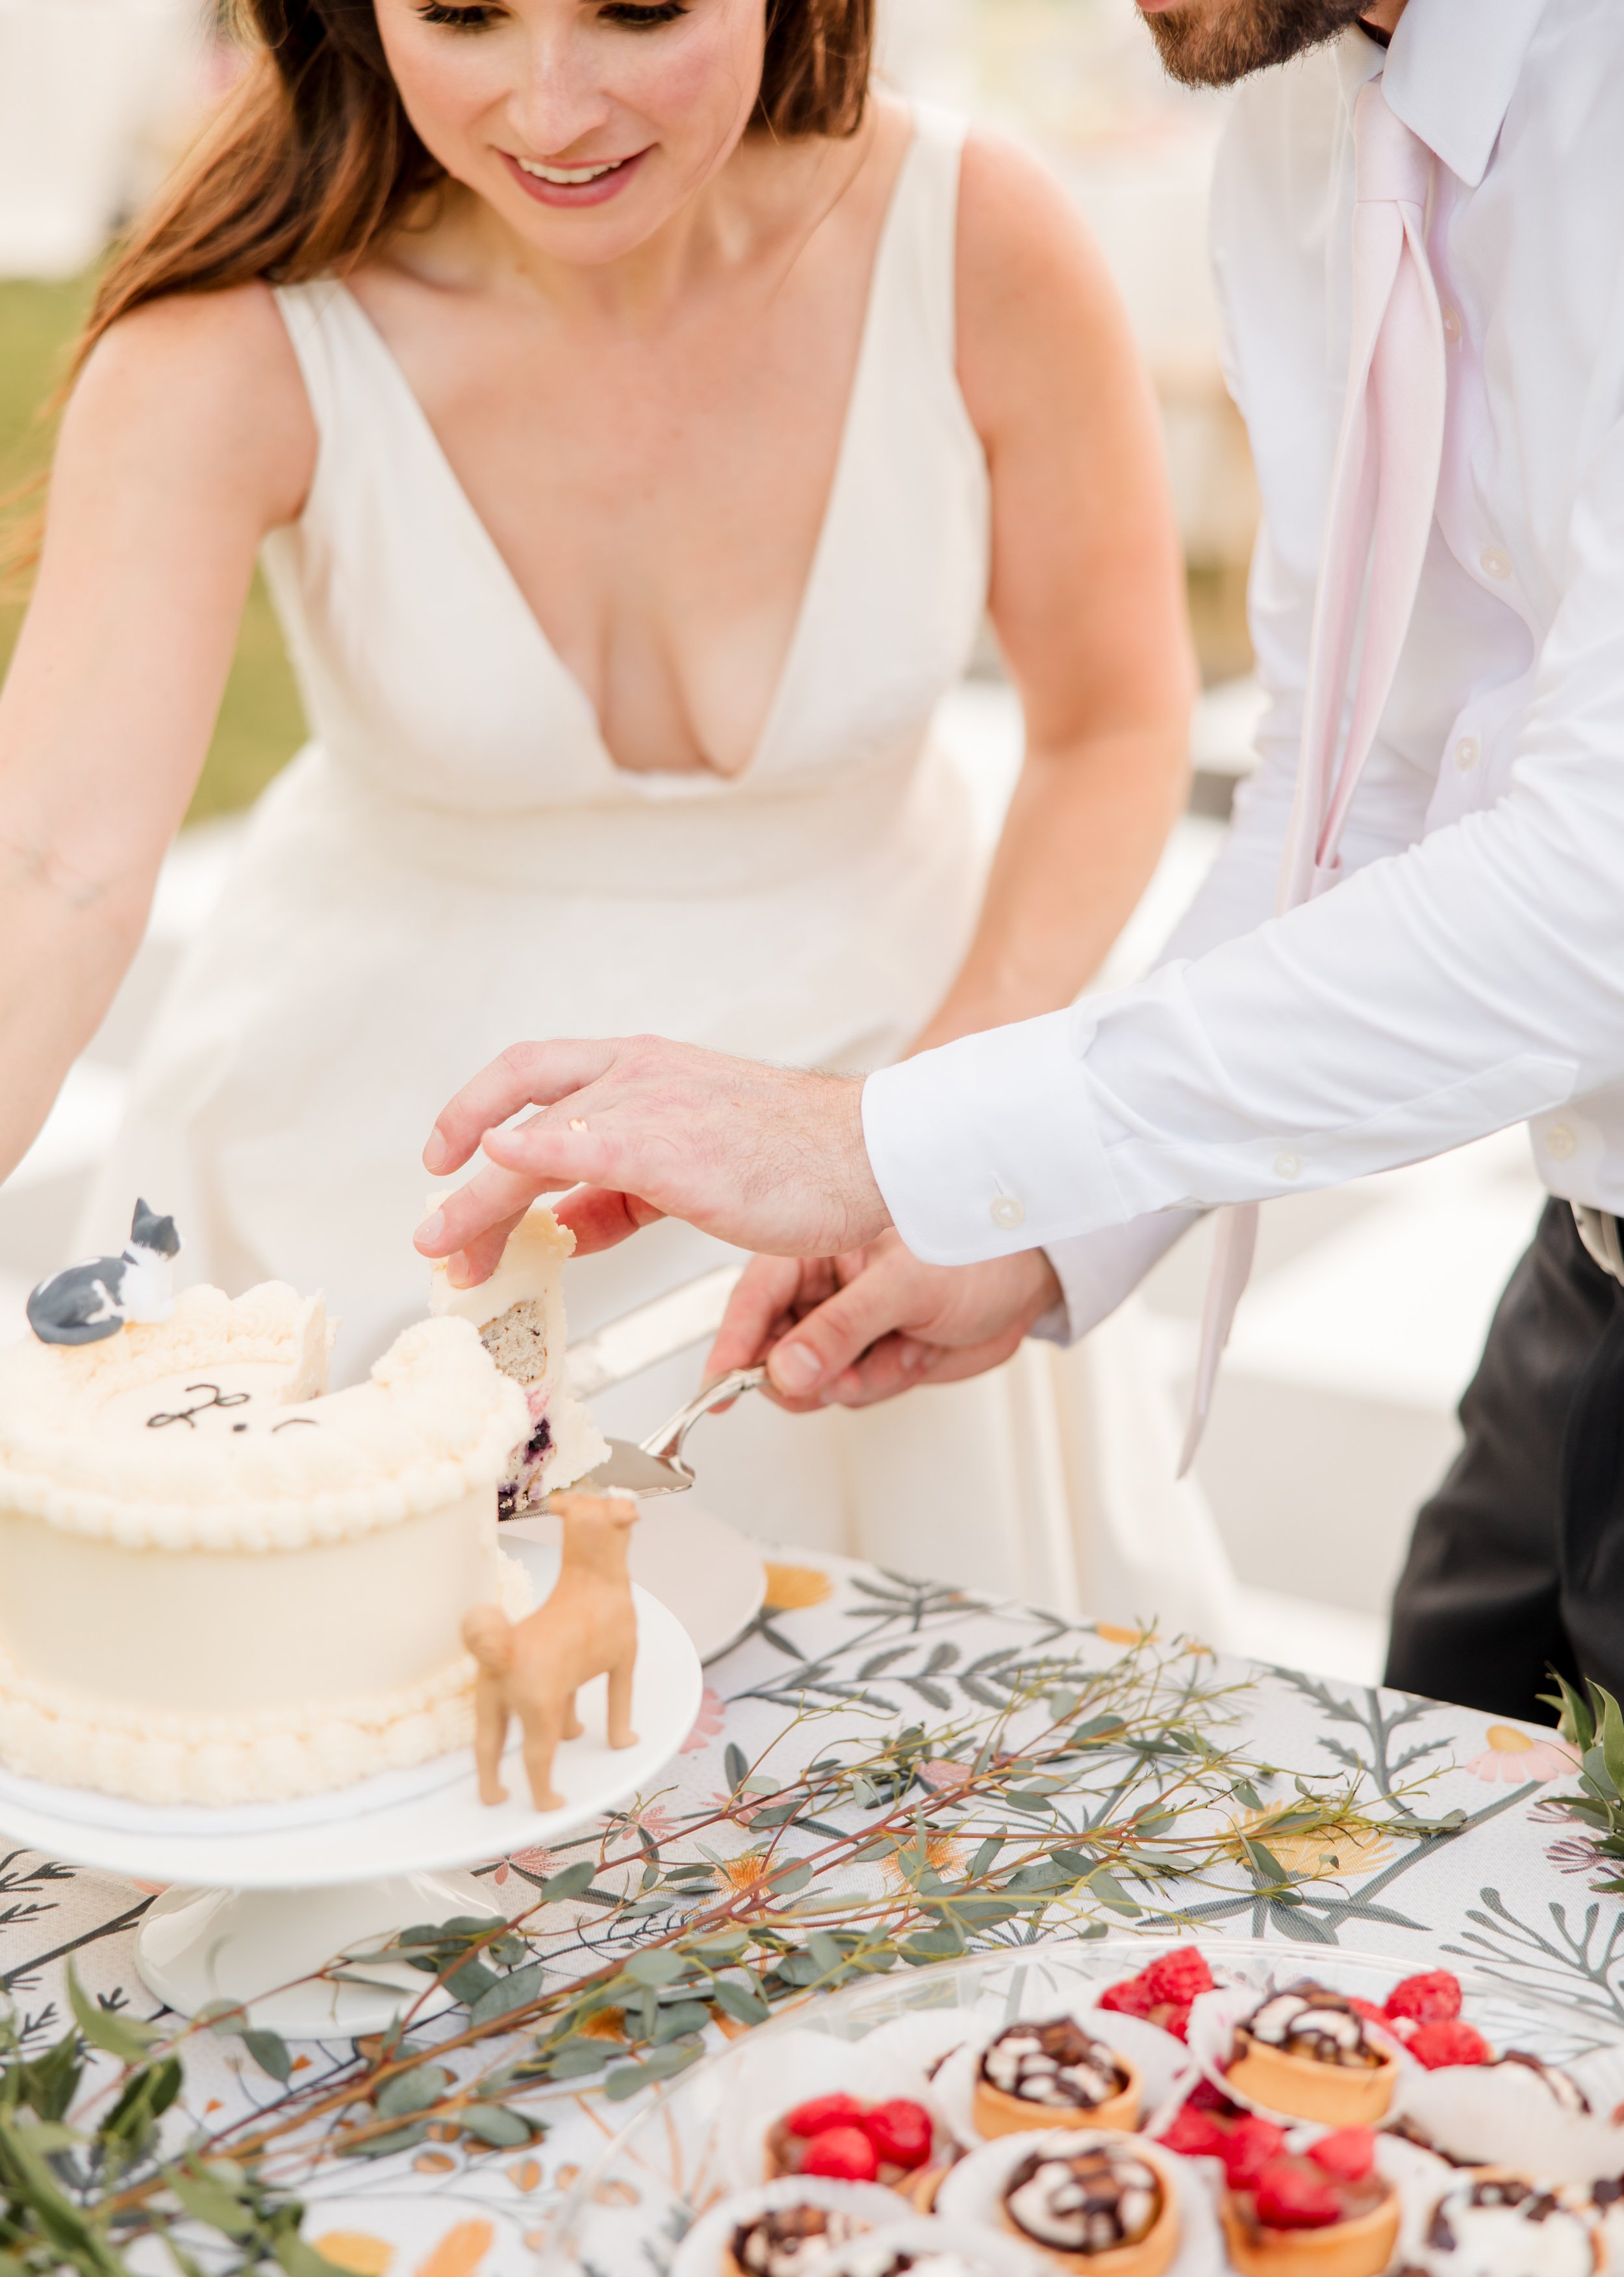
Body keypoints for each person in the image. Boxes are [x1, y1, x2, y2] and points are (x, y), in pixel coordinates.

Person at [420, 0, 1624, 1719]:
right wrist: (1036, 1220)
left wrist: (876, 1140)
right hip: (1584, 1274)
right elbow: (1354, 783)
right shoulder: (1298, 134)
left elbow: (1596, 896)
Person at [0, 0, 1192, 1577]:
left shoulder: (978, 242)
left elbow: (1112, 722)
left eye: (636, 9)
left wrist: (931, 1133)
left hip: (865, 1142)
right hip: (374, 1200)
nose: (552, 110)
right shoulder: (237, 337)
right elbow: (49, 870)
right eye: (463, 16)